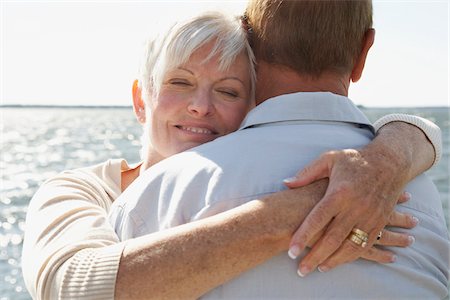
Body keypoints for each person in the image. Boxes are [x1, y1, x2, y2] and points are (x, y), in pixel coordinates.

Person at [22, 10, 441, 300]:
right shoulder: (78, 190)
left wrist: (386, 159)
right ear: (140, 98)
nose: (201, 107)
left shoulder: (247, 174)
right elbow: (71, 284)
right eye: (180, 83)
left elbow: (421, 132)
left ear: (254, 104)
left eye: (228, 91)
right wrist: (326, 204)